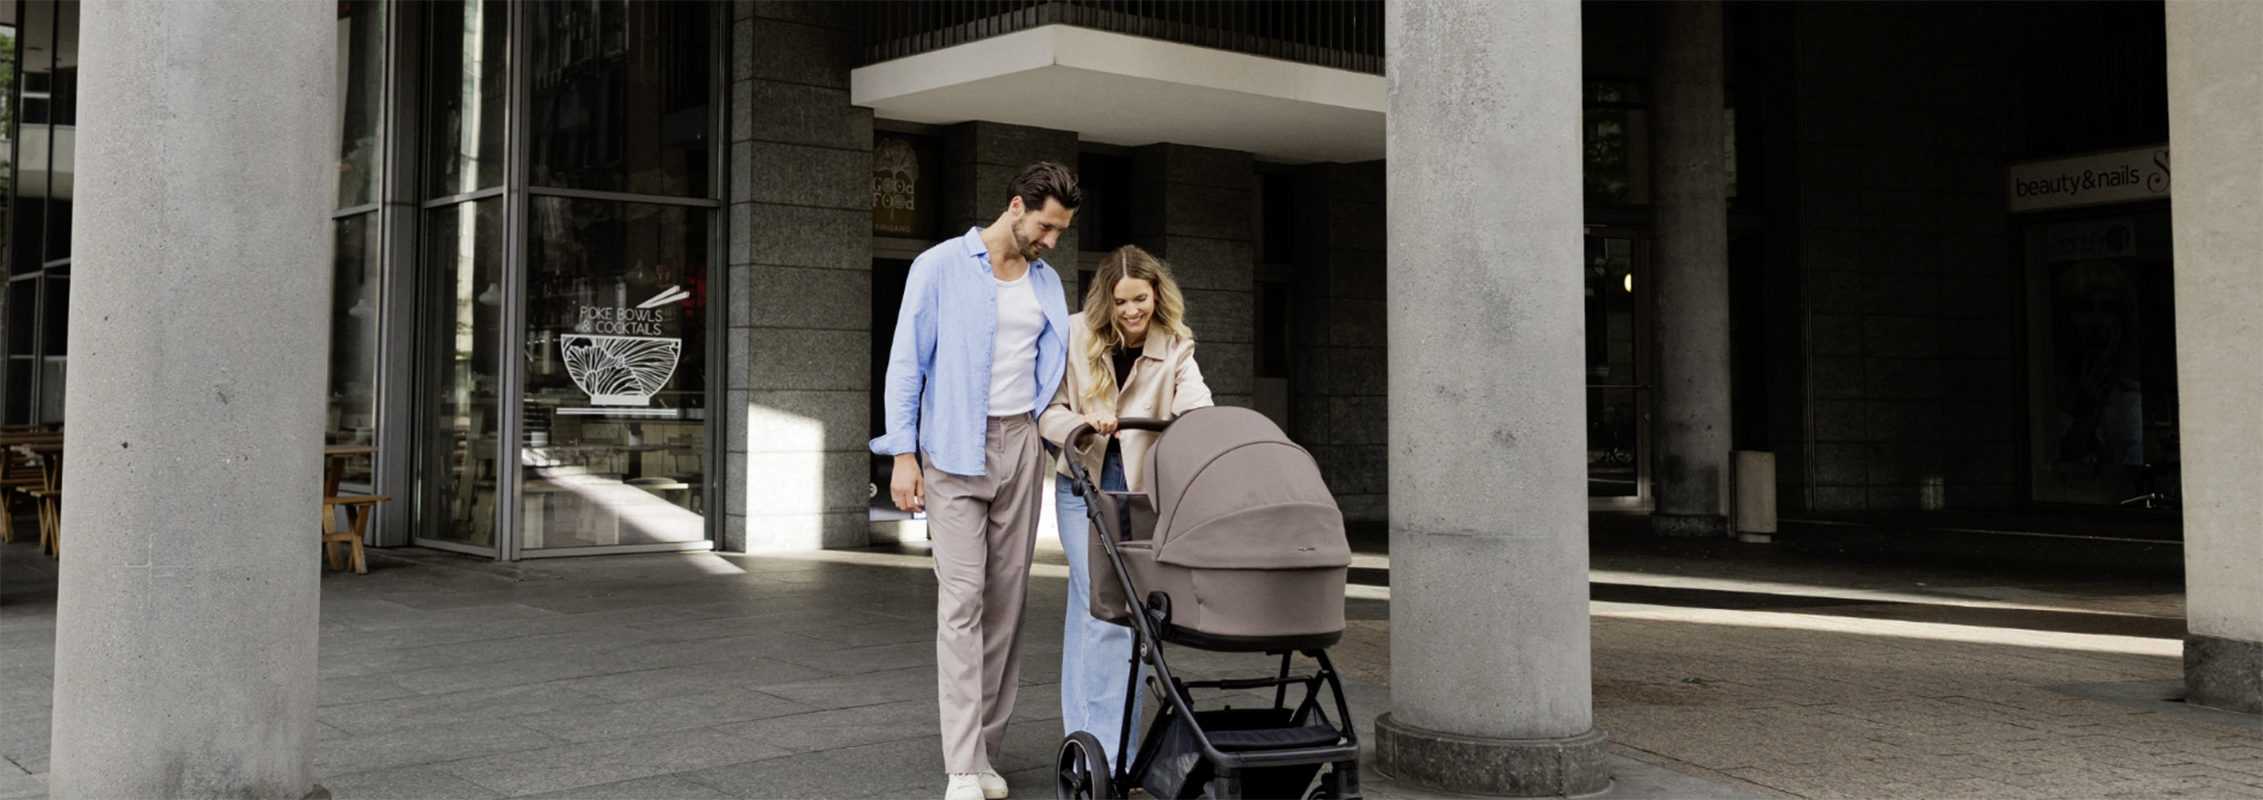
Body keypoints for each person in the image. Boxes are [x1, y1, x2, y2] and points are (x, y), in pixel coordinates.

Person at [872, 162, 1081, 800]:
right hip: (954, 448)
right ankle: (961, 766)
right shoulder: (937, 266)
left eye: (1061, 232)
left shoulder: (1046, 284)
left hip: (1022, 446)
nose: (1051, 242)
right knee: (961, 602)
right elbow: (905, 363)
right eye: (1046, 226)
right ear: (1016, 206)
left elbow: (1054, 372)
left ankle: (986, 752)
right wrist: (902, 455)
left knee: (1007, 607)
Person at [1038, 244, 1212, 769]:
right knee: (1108, 609)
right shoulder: (1073, 334)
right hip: (1084, 485)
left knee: (1101, 612)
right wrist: (1081, 426)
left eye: (1140, 299)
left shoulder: (1176, 344)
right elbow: (1048, 409)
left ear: (1156, 295)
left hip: (1141, 492)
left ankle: (1088, 748)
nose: (1132, 311)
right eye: (1121, 302)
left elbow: (1196, 403)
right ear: (1105, 302)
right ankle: (1110, 758)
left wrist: (1197, 425)